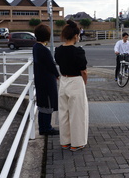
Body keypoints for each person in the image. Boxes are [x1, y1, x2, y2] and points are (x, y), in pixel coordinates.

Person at [54, 20, 88, 152]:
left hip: (63, 82)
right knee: (77, 114)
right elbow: (83, 71)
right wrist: (84, 82)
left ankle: (65, 141)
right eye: (78, 35)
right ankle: (77, 143)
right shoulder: (78, 51)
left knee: (64, 113)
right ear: (75, 36)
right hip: (76, 82)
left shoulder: (58, 50)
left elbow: (59, 63)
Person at [32, 24, 60, 136]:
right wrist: (57, 75)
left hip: (40, 80)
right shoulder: (44, 50)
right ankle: (46, 128)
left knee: (42, 105)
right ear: (47, 36)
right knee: (47, 105)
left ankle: (43, 127)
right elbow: (51, 65)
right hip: (47, 81)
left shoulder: (35, 47)